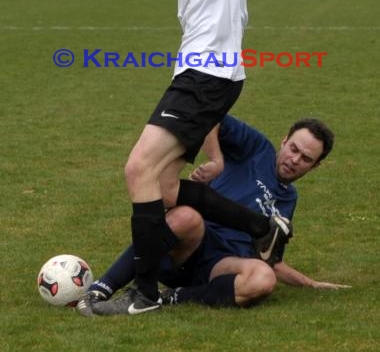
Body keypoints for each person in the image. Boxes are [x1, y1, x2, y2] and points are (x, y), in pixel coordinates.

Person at [105, 0, 293, 316]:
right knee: (164, 190)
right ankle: (260, 227)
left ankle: (143, 295)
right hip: (195, 73)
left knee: (138, 168)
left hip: (208, 73)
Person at [77, 115, 350, 316]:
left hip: (221, 268)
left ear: (315, 166)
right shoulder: (257, 149)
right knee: (187, 217)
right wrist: (216, 160)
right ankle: (100, 289)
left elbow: (270, 257)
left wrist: (309, 283)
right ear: (284, 141)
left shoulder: (290, 199)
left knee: (263, 278)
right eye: (294, 149)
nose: (295, 160)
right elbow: (210, 117)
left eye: (306, 158)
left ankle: (171, 298)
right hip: (188, 247)